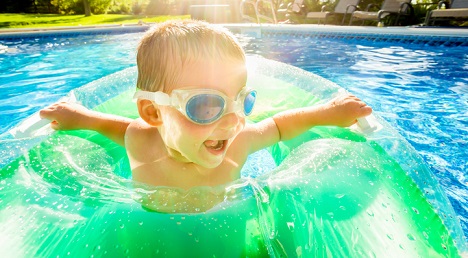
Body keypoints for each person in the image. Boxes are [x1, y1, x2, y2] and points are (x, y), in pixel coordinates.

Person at [39, 19, 372, 212]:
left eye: (242, 101)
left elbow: (279, 126)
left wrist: (327, 112)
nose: (232, 121)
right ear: (154, 112)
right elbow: (105, 125)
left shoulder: (238, 142)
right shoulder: (140, 138)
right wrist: (77, 115)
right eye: (205, 105)